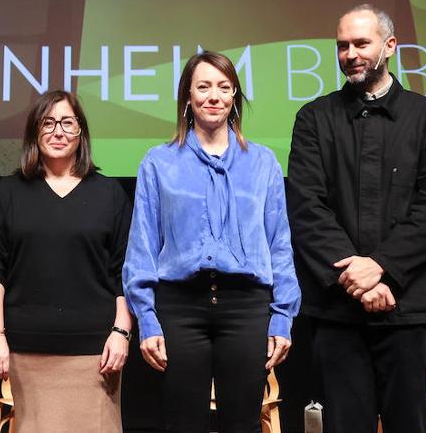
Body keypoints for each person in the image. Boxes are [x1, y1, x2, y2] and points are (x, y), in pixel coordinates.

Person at [286, 4, 426, 433]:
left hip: (409, 305)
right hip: (338, 309)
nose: (350, 53)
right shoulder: (314, 117)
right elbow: (307, 207)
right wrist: (356, 278)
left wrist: (382, 269)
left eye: (361, 43)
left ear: (390, 46)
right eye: (342, 45)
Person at [124, 51, 300, 433]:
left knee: (243, 424)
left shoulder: (263, 162)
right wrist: (148, 320)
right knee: (182, 424)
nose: (213, 96)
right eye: (203, 86)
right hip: (180, 307)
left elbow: (279, 245)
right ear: (187, 96)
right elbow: (142, 247)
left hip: (246, 307)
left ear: (234, 95)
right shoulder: (158, 162)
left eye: (223, 87)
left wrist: (283, 317)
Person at [0, 90, 132, 432]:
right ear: (34, 132)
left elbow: (123, 272)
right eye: (48, 123)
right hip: (25, 353)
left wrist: (122, 331)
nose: (58, 131)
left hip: (96, 355)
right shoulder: (8, 192)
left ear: (81, 133)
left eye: (68, 123)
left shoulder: (109, 194)